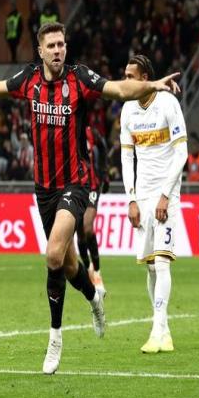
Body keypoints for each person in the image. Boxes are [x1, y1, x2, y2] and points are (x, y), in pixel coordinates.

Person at [0, 22, 180, 374]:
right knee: (68, 264)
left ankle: (55, 338)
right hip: (43, 188)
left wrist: (152, 84)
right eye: (52, 45)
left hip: (75, 183)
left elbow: (119, 88)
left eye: (62, 44)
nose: (58, 50)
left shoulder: (80, 78)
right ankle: (94, 297)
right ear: (40, 51)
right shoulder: (29, 80)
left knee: (53, 253)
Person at [119, 54, 187, 354]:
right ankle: (165, 331)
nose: (125, 81)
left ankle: (157, 329)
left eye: (130, 76)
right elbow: (126, 157)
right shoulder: (127, 109)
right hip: (143, 196)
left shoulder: (168, 103)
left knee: (162, 262)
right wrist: (131, 198)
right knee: (150, 267)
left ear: (145, 78)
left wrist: (165, 195)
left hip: (166, 193)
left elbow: (182, 153)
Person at [77, 126, 109, 296]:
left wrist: (104, 173)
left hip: (92, 186)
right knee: (80, 233)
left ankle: (97, 271)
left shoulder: (90, 131)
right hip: (74, 187)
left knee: (88, 227)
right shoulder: (65, 128)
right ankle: (88, 268)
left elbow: (102, 147)